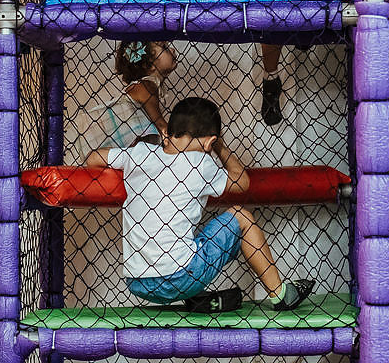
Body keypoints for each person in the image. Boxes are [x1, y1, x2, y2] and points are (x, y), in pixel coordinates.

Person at [85, 96, 315, 313]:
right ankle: (281, 295)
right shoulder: (201, 163)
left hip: (137, 282)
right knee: (241, 217)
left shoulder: (140, 153)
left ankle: (197, 298)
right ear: (210, 141)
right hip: (181, 276)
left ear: (171, 130)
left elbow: (93, 157)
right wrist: (220, 147)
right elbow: (242, 182)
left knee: (186, 243)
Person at [95, 40, 175, 148]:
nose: (172, 50)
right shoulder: (147, 86)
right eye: (165, 47)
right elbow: (161, 126)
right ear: (149, 64)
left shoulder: (148, 85)